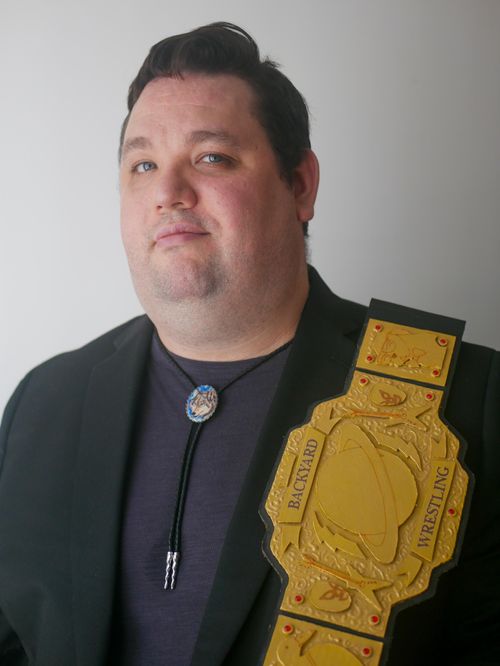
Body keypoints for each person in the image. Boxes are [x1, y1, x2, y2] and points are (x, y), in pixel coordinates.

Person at [0, 22, 498, 666]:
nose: (168, 193)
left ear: (301, 185)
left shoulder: (464, 399)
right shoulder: (44, 402)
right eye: (143, 164)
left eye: (212, 157)